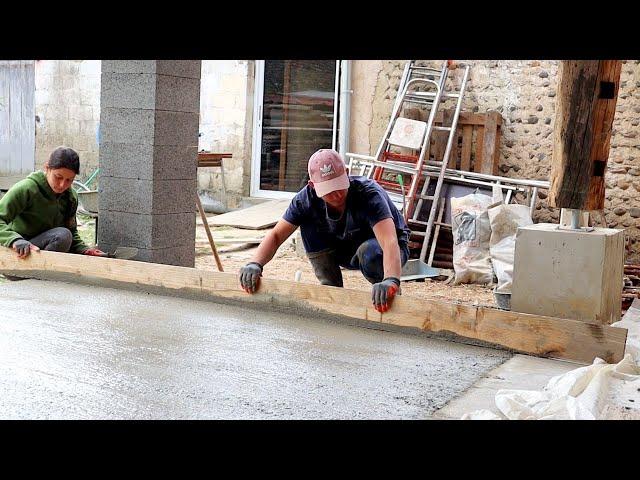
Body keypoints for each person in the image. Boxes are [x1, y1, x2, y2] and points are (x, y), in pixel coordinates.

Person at [239, 148, 411, 313]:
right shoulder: (305, 199)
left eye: (339, 186)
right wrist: (255, 263)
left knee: (369, 252)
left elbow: (389, 241)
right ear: (312, 185)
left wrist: (391, 280)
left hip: (383, 251)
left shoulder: (368, 194)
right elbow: (276, 235)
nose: (336, 195)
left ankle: (386, 293)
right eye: (329, 190)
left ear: (347, 172)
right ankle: (331, 291)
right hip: (343, 247)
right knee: (307, 221)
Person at [0, 146, 106, 260]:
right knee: (62, 235)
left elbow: (71, 232)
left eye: (69, 180)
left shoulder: (71, 197)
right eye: (58, 177)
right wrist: (15, 240)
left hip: (43, 252)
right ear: (47, 168)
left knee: (64, 235)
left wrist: (85, 250)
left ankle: (44, 274)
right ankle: (39, 274)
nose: (62, 185)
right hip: (19, 254)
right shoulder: (26, 189)